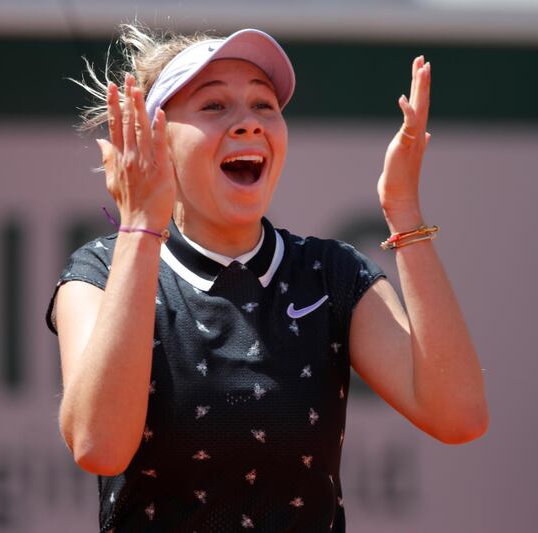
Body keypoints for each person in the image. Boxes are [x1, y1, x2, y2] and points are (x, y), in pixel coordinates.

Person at [45, 24, 488, 532]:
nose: (249, 123)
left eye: (264, 105)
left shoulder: (332, 274)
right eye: (214, 107)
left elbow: (460, 415)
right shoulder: (98, 272)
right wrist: (141, 225)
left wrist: (404, 211)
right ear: (155, 143)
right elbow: (98, 447)